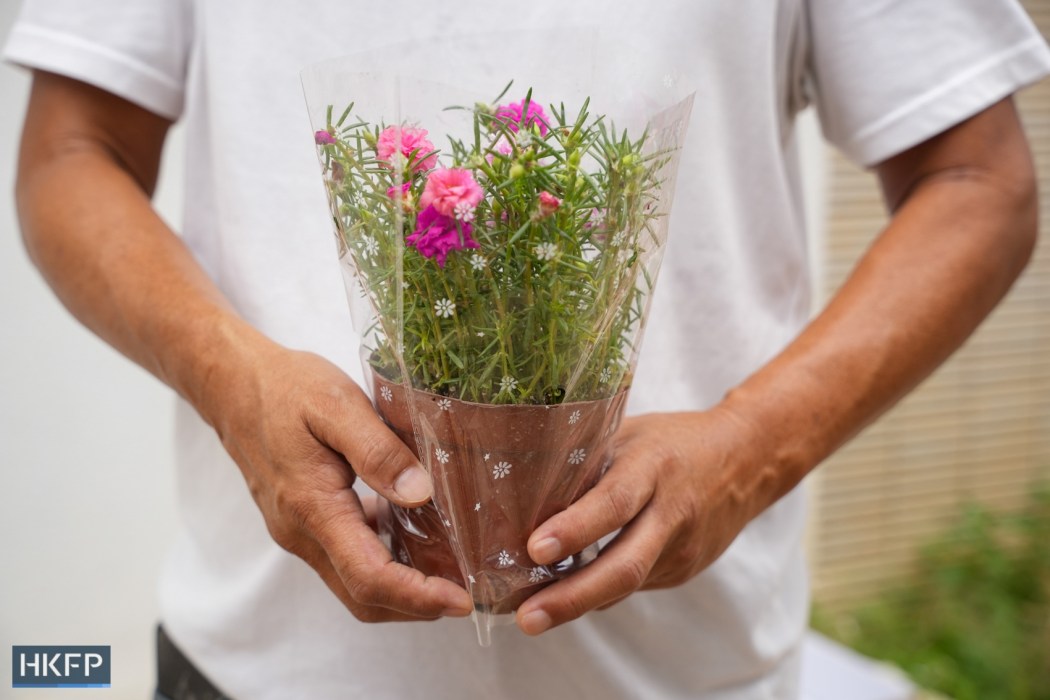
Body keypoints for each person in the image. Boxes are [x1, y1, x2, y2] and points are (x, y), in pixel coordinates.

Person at [5, 2, 1048, 698]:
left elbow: (978, 179)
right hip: (259, 667)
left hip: (684, 673)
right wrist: (234, 382)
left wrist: (750, 444)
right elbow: (69, 148)